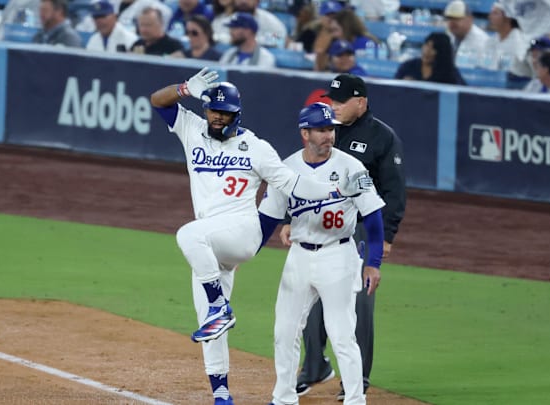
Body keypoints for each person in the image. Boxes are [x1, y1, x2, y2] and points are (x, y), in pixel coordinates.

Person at [148, 67, 373, 405]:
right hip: (212, 242)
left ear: (237, 115)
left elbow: (292, 183)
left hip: (241, 231)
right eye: (213, 110)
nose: (217, 117)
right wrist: (184, 89)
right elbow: (157, 101)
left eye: (225, 113)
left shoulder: (255, 147)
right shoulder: (192, 129)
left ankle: (221, 307)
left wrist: (333, 188)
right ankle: (221, 393)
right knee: (208, 321)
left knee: (187, 235)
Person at [258, 102, 386, 405]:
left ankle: (356, 400)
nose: (329, 135)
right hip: (299, 256)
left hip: (337, 256)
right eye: (321, 130)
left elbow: (373, 216)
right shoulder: (286, 169)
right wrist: (244, 253)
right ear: (305, 133)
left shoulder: (352, 167)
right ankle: (284, 398)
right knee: (284, 332)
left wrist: (374, 263)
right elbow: (267, 219)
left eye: (331, 129)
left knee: (342, 335)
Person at [290, 74, 406, 400]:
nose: (335, 106)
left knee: (359, 305)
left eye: (341, 101)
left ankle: (358, 381)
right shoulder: (328, 133)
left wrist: (386, 237)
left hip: (364, 228)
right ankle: (314, 367)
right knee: (311, 294)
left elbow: (395, 192)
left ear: (361, 101)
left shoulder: (382, 137)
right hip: (323, 224)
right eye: (333, 100)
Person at [394, 32, 467, 85]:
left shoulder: (450, 73)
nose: (427, 51)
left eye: (433, 49)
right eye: (426, 45)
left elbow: (462, 94)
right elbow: (393, 90)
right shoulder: (408, 66)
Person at [443, 0, 490, 65]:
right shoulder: (448, 35)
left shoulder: (482, 42)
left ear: (470, 19)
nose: (452, 22)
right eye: (449, 18)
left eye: (457, 18)